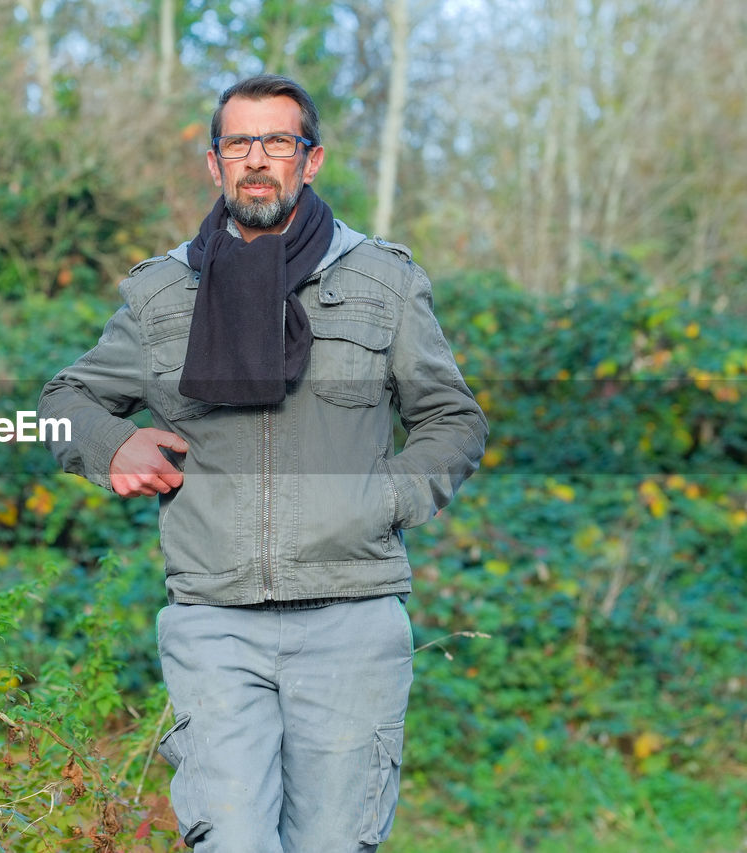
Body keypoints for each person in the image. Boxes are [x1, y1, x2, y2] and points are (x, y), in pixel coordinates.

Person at [37, 74, 487, 852]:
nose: (257, 159)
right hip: (214, 620)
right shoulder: (162, 294)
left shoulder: (382, 279)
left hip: (351, 614)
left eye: (277, 141)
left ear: (309, 161)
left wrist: (383, 500)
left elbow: (454, 418)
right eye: (239, 142)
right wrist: (114, 444)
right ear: (215, 164)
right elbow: (59, 401)